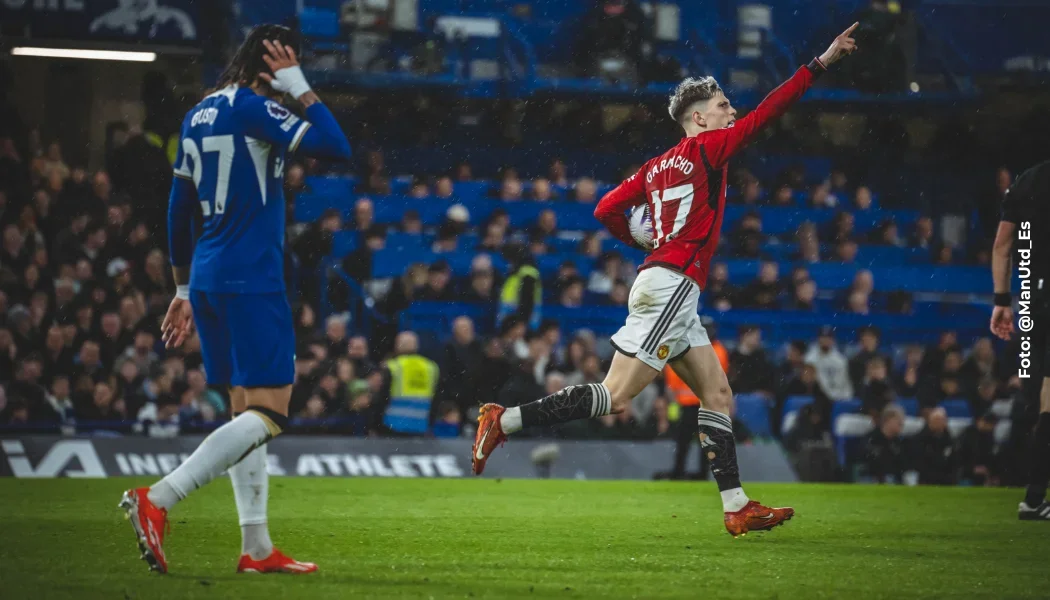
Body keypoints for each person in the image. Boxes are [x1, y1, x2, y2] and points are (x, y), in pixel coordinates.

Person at [471, 24, 858, 537]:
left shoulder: (655, 167)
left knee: (718, 394)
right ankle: (504, 420)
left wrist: (641, 235)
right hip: (672, 286)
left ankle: (737, 506)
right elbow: (768, 113)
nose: (732, 112)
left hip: (669, 283)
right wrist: (821, 61)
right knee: (615, 395)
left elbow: (606, 208)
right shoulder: (707, 150)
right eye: (723, 106)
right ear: (698, 119)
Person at [119, 25, 351, 574]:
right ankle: (159, 498)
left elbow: (179, 210)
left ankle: (258, 547)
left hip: (207, 274)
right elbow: (336, 147)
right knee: (271, 412)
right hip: (252, 276)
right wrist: (302, 88)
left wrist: (180, 288)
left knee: (245, 409)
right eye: (291, 63)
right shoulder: (254, 108)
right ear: (273, 64)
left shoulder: (197, 114)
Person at [990, 159, 1050, 519]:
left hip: (1031, 300)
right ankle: (1032, 496)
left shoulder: (1028, 180)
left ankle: (1029, 493)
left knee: (1037, 398)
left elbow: (1002, 246)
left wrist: (1001, 301)